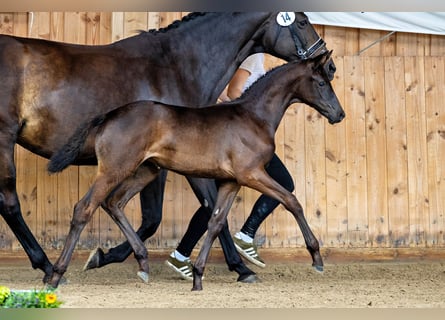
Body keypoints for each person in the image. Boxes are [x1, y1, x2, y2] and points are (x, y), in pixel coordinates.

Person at [165, 53, 295, 280]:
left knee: (214, 202)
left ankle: (181, 254)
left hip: (238, 136)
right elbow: (234, 92)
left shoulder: (258, 57)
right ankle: (246, 234)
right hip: (241, 139)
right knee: (284, 183)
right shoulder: (252, 56)